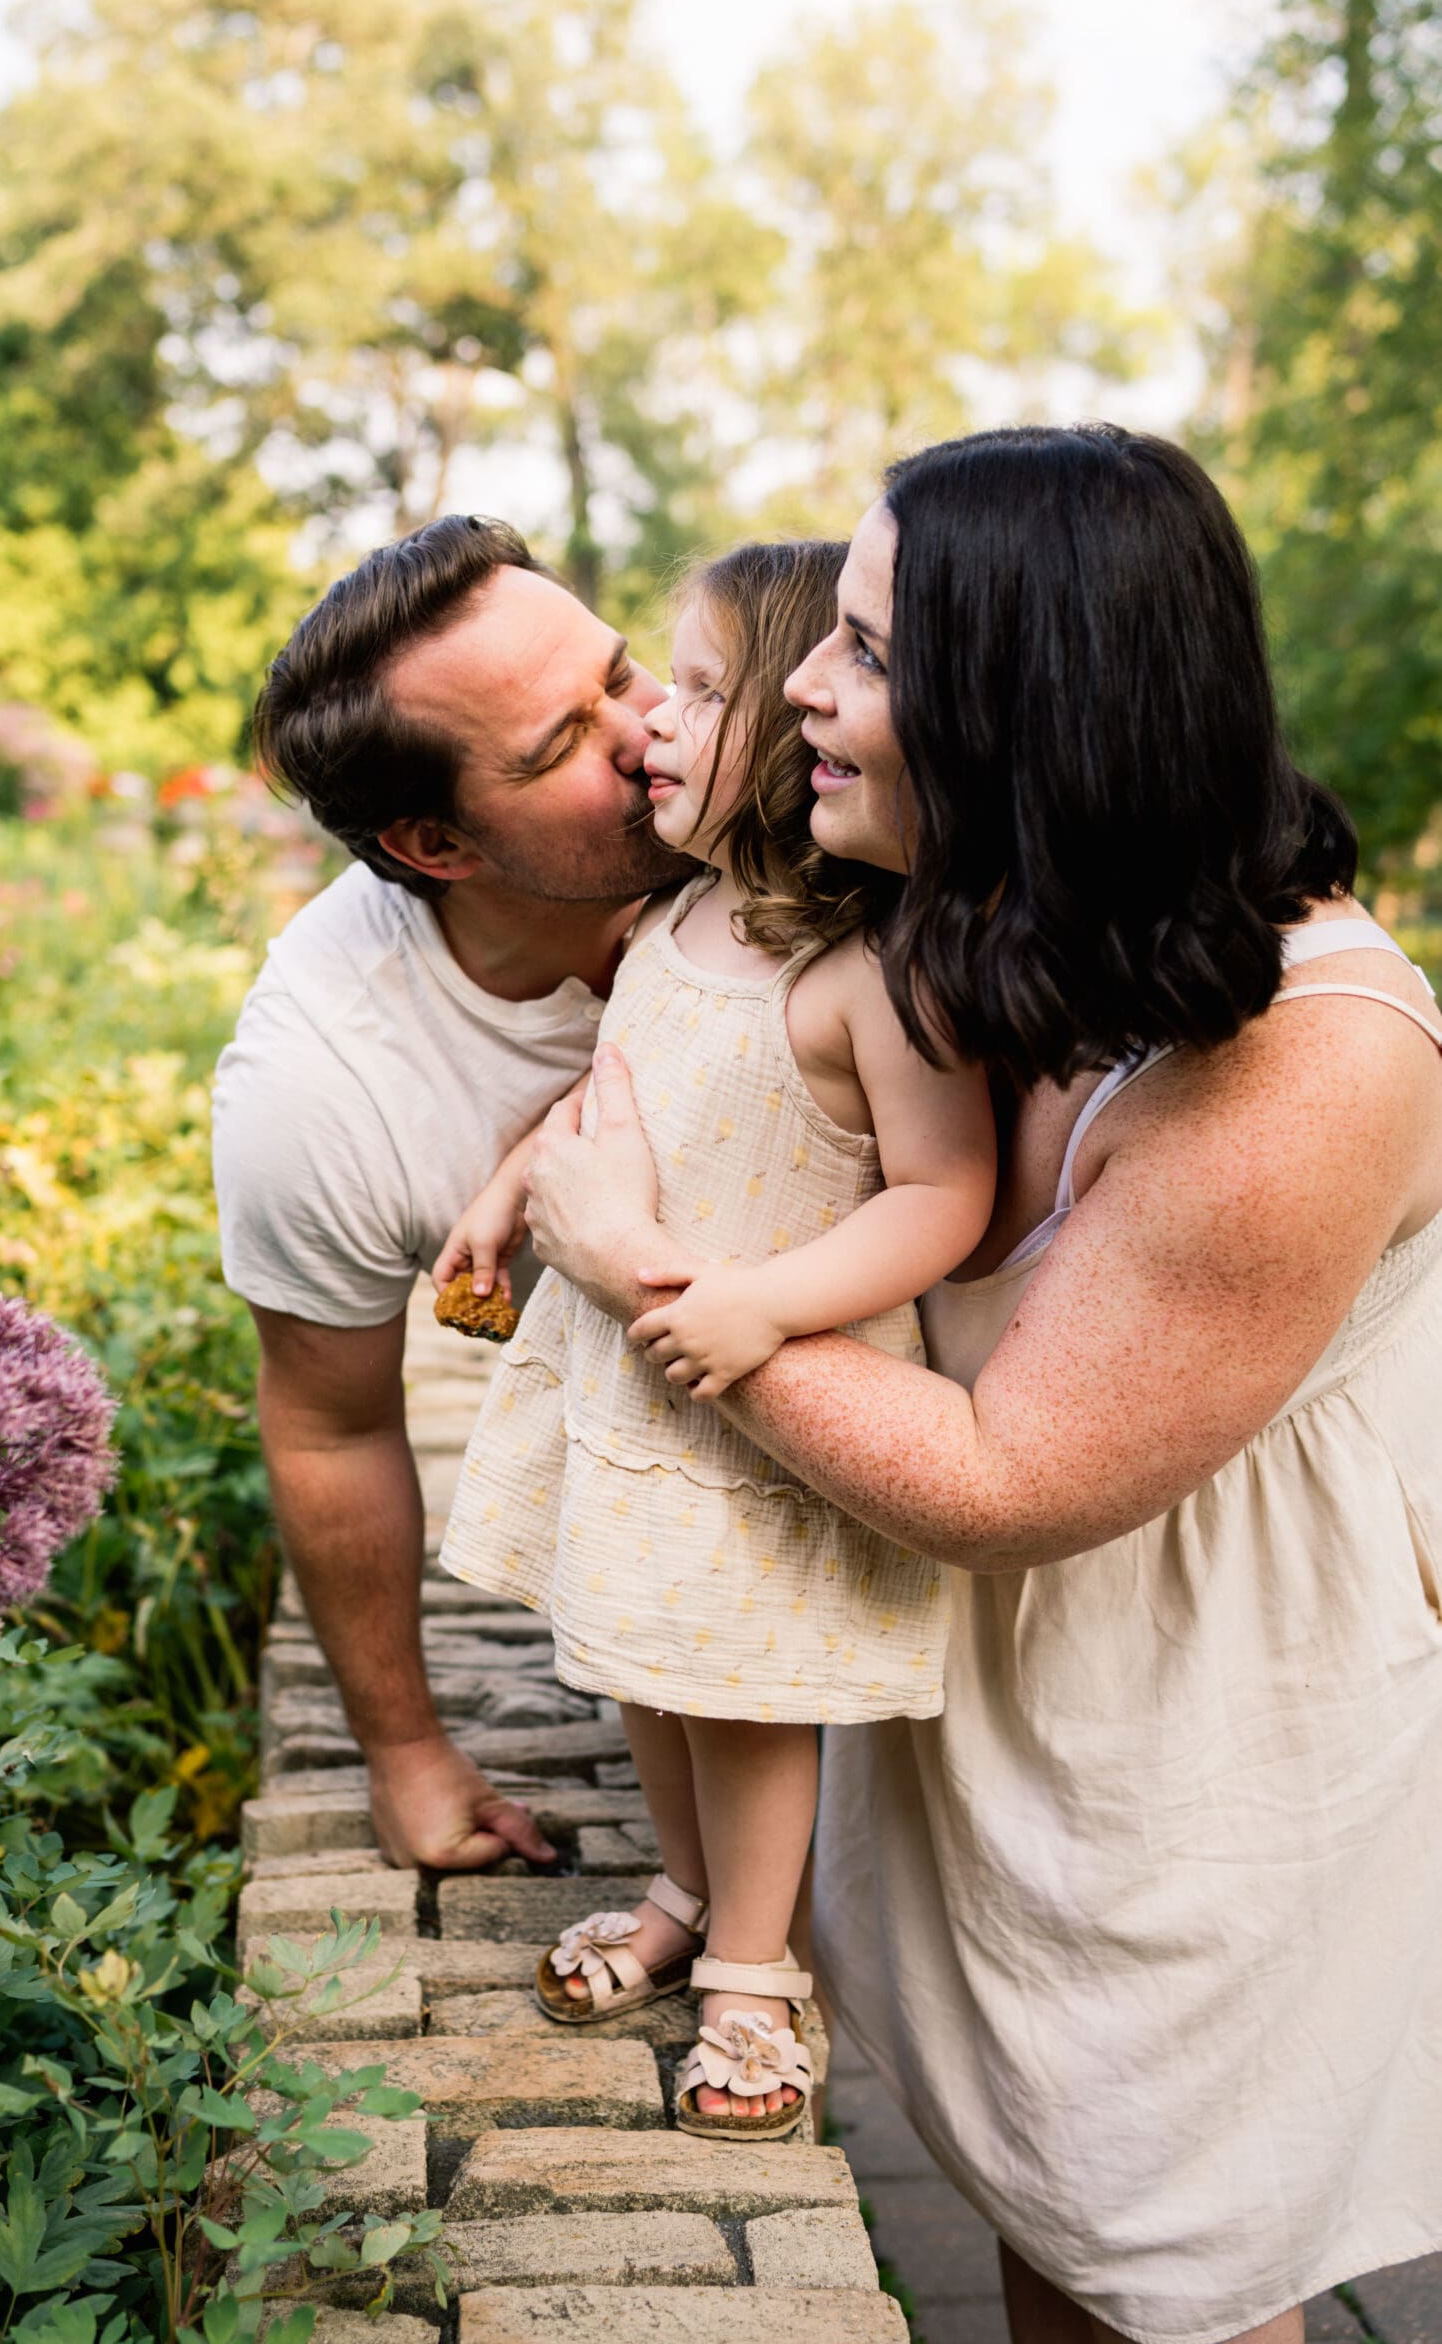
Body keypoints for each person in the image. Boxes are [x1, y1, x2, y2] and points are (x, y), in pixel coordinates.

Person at [519, 427, 1442, 2340]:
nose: (803, 695)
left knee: (1164, 2258)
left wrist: (641, 1275)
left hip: (1195, 1726)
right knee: (1049, 2213)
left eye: (861, 653)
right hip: (1011, 1682)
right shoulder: (987, 918)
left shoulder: (1304, 1064)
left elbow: (1017, 1472)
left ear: (1034, 707)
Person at [435, 541, 995, 2138]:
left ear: (812, 735)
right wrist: (503, 1190)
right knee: (643, 1665)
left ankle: (761, 1969)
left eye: (695, 690)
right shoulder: (674, 919)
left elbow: (942, 1195)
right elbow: (610, 1094)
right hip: (634, 1387)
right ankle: (682, 1891)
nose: (652, 727)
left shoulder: (862, 979)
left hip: (748, 1390)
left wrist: (766, 1306)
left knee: (741, 1694)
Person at [212, 513, 694, 1871]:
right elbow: (330, 1427)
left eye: (624, 671)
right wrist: (406, 1747)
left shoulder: (774, 795)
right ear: (435, 843)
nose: (650, 732)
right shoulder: (321, 1092)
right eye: (566, 743)